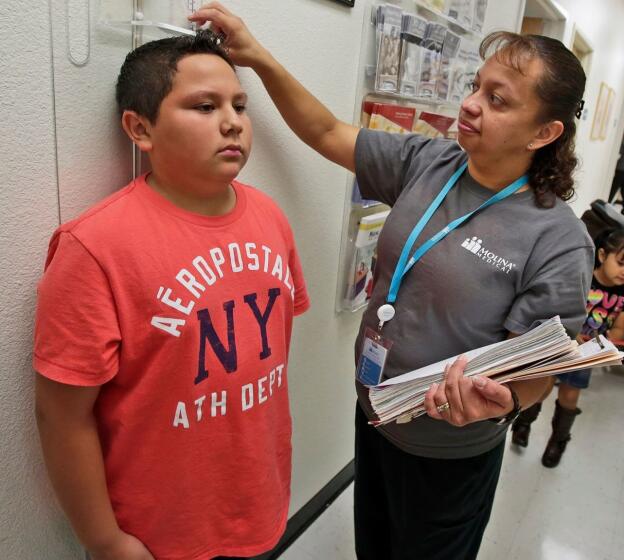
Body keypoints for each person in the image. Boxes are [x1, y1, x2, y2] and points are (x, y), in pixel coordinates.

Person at [189, 4, 592, 559]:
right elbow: (328, 130)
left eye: (498, 100)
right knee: (374, 548)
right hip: (377, 411)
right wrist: (255, 57)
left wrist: (500, 403)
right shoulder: (431, 161)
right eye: (477, 87)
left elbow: (537, 375)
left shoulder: (558, 241)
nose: (470, 104)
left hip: (450, 449)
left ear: (545, 132)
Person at [33, 32, 309, 560]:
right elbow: (62, 417)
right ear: (141, 129)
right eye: (205, 106)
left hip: (258, 499)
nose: (232, 122)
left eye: (239, 105)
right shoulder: (96, 248)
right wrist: (105, 540)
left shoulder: (270, 217)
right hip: (159, 528)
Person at [511, 229, 624, 467]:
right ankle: (524, 423)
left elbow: (618, 330)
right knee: (541, 388)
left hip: (585, 355)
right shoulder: (582, 278)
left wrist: (602, 345)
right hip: (560, 346)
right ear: (603, 255)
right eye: (621, 263)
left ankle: (559, 439)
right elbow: (558, 309)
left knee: (570, 396)